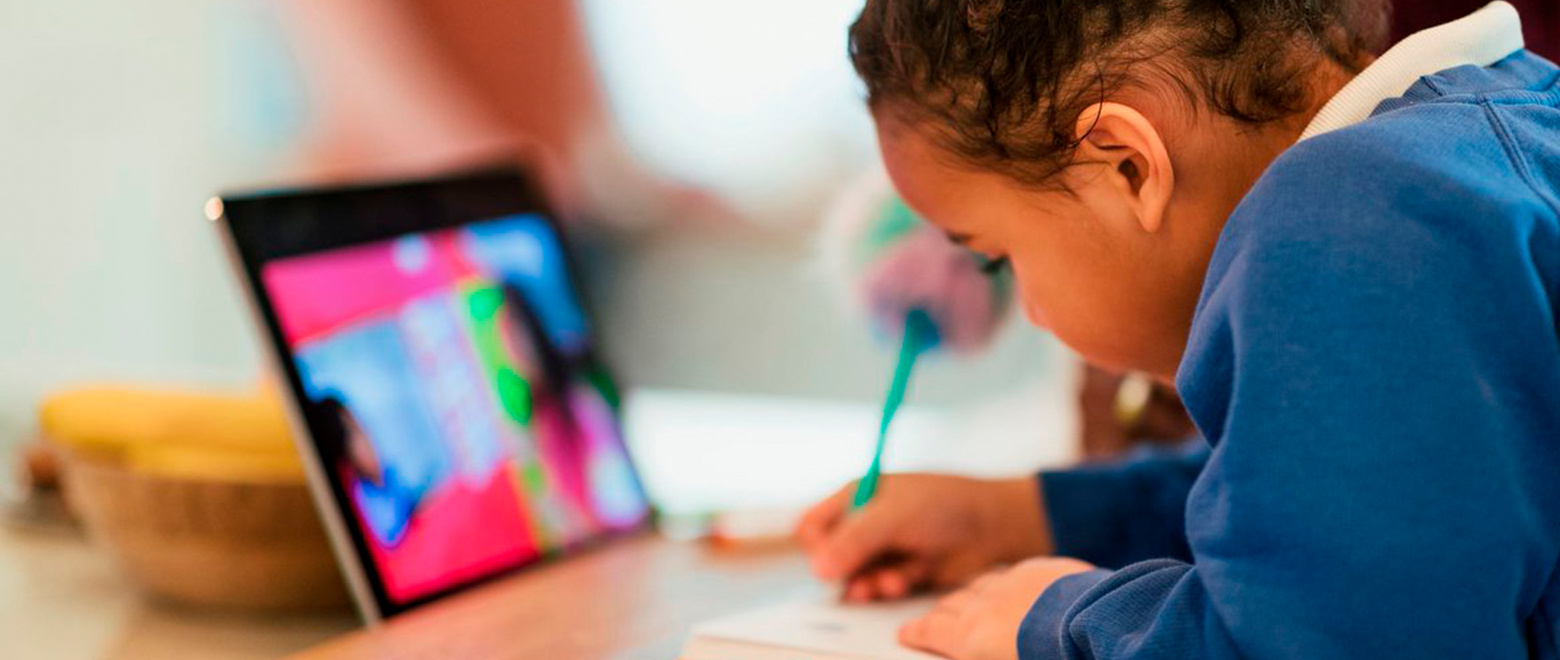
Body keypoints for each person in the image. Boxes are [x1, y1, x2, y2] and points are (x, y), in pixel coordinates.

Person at [796, 1, 1560, 658]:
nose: (1027, 311)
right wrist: (1026, 515)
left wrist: (1065, 617)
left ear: (1126, 165)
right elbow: (1340, 501)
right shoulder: (1497, 129)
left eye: (996, 258)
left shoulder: (1354, 213)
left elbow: (1344, 635)